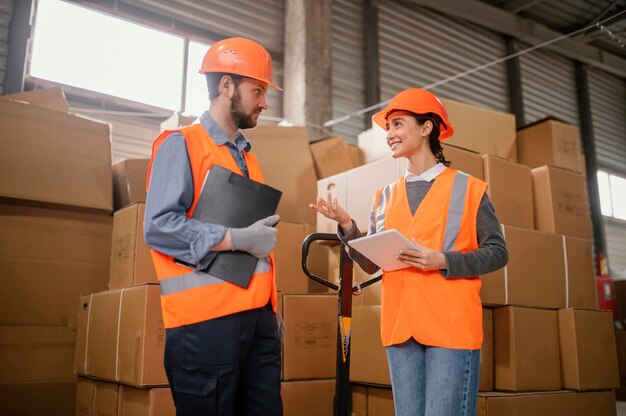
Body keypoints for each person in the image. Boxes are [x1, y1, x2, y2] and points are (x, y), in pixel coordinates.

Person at [310, 88, 508, 416]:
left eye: (398, 124)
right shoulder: (384, 196)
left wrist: (443, 260)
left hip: (450, 327)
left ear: (426, 128)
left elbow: (498, 252)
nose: (389, 134)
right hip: (401, 328)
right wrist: (347, 225)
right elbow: (372, 264)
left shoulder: (469, 188)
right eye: (387, 127)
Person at [144, 37, 283, 416]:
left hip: (258, 323)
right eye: (257, 91)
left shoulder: (247, 159)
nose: (264, 103)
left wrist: (270, 315)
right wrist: (236, 238)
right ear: (226, 86)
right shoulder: (181, 143)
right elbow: (159, 227)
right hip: (206, 325)